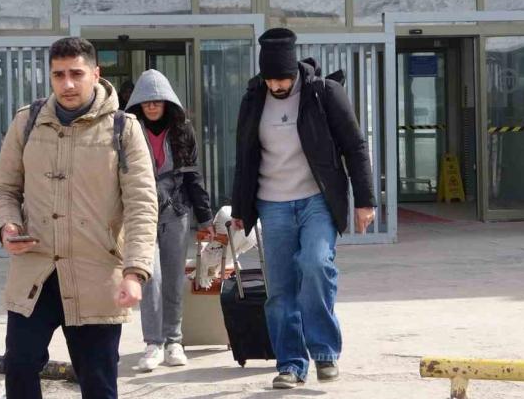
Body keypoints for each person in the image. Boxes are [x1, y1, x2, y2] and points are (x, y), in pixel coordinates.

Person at [0, 37, 158, 399]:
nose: (67, 84)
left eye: (76, 74)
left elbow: (142, 205)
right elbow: (3, 189)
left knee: (97, 382)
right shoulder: (28, 122)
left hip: (95, 274)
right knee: (18, 365)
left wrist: (135, 272)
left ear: (95, 73)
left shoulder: (123, 128)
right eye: (58, 75)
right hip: (36, 273)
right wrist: (7, 226)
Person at [230, 28, 376, 389]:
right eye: (270, 80)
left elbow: (355, 146)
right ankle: (291, 364)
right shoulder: (253, 98)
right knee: (280, 289)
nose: (276, 86)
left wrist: (366, 200)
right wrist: (240, 209)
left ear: (294, 70)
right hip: (272, 203)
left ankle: (324, 352)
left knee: (316, 263)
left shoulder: (324, 93)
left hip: (317, 200)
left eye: (282, 79)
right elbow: (244, 157)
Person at [125, 69, 214, 372]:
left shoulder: (182, 130)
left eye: (157, 101)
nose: (152, 106)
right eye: (146, 101)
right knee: (150, 277)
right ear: (138, 103)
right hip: (140, 213)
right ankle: (153, 343)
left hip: (176, 211)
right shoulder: (128, 129)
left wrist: (205, 218)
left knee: (174, 277)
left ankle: (174, 340)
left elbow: (193, 175)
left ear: (167, 102)